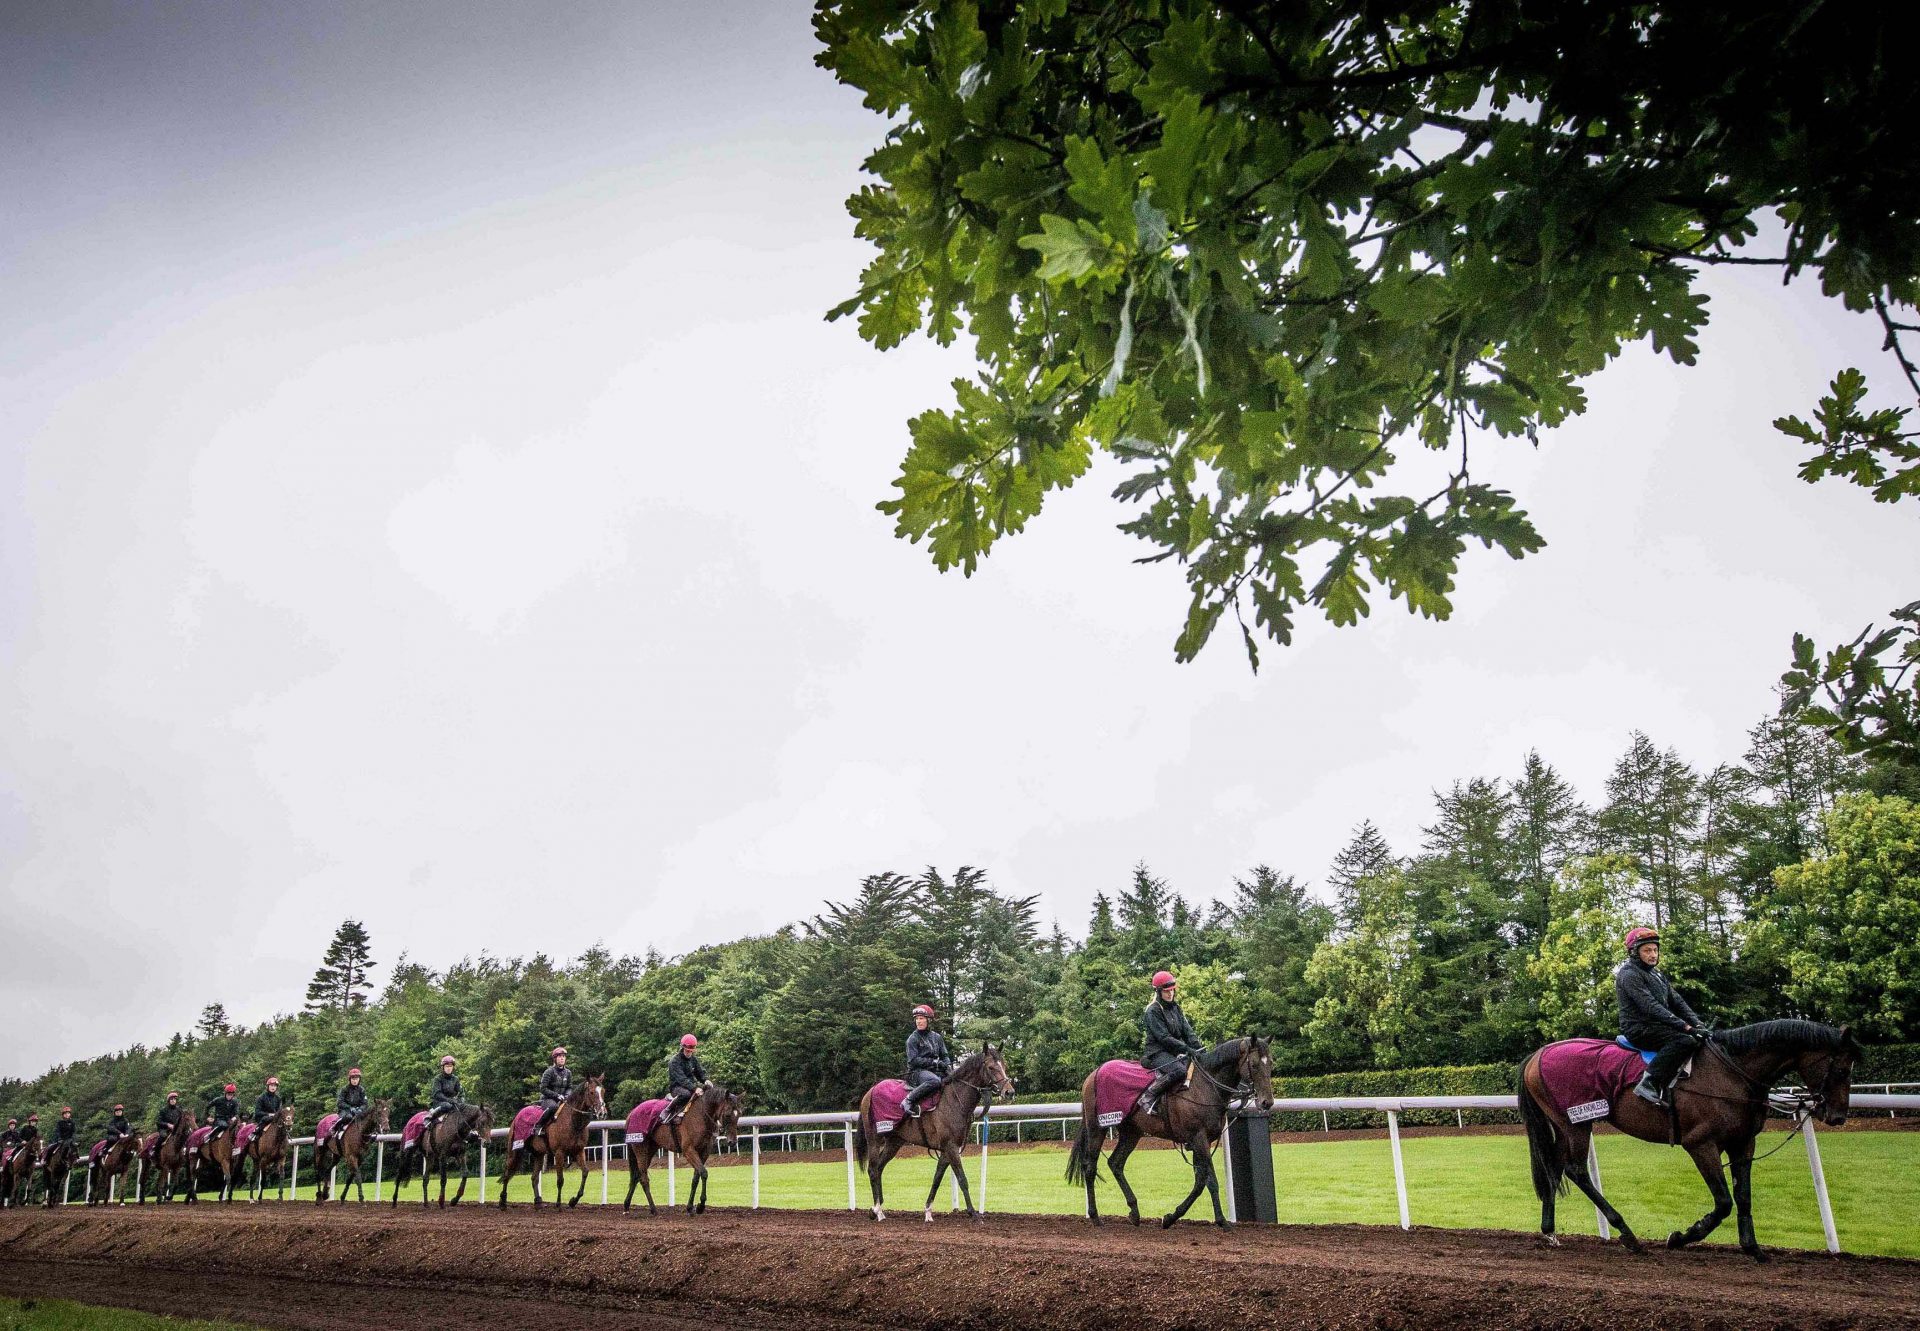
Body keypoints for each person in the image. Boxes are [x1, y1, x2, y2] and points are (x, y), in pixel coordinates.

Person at [1615, 927, 1709, 1108]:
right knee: (1685, 1041)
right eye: (1647, 950)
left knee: (1699, 1040)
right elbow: (1651, 1007)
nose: (1653, 954)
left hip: (1658, 1027)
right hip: (1640, 1029)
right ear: (1634, 953)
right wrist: (1687, 1027)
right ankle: (1649, 1082)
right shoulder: (1629, 974)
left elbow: (1678, 1002)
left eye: (1655, 950)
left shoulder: (1656, 974)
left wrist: (1698, 1023)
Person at [1138, 970, 1204, 1116]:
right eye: (1166, 991)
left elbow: (1188, 1032)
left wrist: (1199, 1050)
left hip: (1173, 1051)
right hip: (1157, 1052)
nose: (1170, 994)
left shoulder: (1175, 1007)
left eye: (1172, 990)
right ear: (1159, 991)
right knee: (1180, 1071)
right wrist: (1187, 1048)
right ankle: (1148, 1097)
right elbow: (1164, 1038)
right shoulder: (1153, 1011)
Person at [901, 1003, 951, 1118]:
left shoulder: (937, 1037)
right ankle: (908, 1100)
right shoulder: (912, 1039)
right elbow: (913, 1061)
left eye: (921, 1018)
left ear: (929, 1021)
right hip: (916, 1072)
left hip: (934, 1071)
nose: (918, 1021)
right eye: (917, 1019)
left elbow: (945, 1055)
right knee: (935, 1081)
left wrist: (947, 1065)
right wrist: (934, 1062)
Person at [664, 1035, 707, 1123]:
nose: (689, 1052)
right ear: (683, 1047)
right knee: (686, 1094)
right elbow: (682, 1079)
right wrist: (695, 1088)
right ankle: (668, 1109)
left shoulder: (693, 1059)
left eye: (691, 1050)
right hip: (677, 1087)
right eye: (687, 1049)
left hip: (691, 1086)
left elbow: (700, 1073)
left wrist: (706, 1080)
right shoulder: (674, 1061)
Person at [532, 1046, 572, 1137]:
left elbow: (569, 1087)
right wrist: (557, 1095)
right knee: (553, 1107)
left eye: (563, 1056)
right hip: (548, 1099)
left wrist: (567, 1095)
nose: (562, 1058)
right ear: (555, 1059)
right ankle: (538, 1126)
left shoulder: (568, 1073)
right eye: (559, 1056)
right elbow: (543, 1088)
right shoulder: (549, 1072)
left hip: (563, 1099)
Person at [424, 1055, 463, 1136]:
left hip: (452, 1102)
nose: (449, 1068)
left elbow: (461, 1092)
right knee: (447, 1106)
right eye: (447, 1066)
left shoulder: (455, 1079)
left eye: (450, 1066)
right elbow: (437, 1094)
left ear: (453, 1067)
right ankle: (429, 1117)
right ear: (443, 1067)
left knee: (463, 1108)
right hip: (439, 1102)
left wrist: (461, 1101)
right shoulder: (438, 1079)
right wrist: (449, 1100)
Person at [330, 1069, 366, 1144]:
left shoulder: (362, 1090)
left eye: (356, 1079)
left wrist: (360, 1109)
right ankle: (334, 1127)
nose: (355, 1081)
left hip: (357, 1110)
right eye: (353, 1079)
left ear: (359, 1079)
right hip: (345, 1110)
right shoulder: (345, 1089)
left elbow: (365, 1103)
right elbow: (339, 1102)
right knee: (349, 1117)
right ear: (350, 1079)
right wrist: (350, 1108)